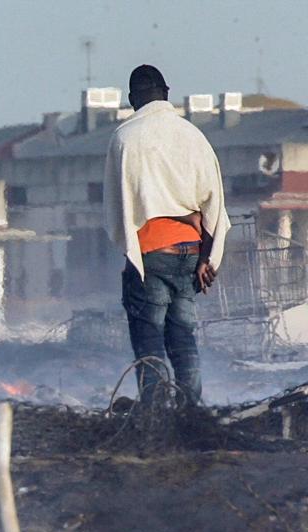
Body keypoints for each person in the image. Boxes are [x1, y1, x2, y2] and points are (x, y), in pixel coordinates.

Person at [104, 64, 231, 404]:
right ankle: (191, 414)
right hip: (190, 253)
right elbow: (214, 204)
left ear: (133, 99)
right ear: (166, 94)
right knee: (183, 339)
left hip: (150, 254)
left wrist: (133, 256)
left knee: (150, 341)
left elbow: (118, 209)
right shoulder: (194, 136)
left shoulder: (125, 138)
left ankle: (156, 416)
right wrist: (207, 258)